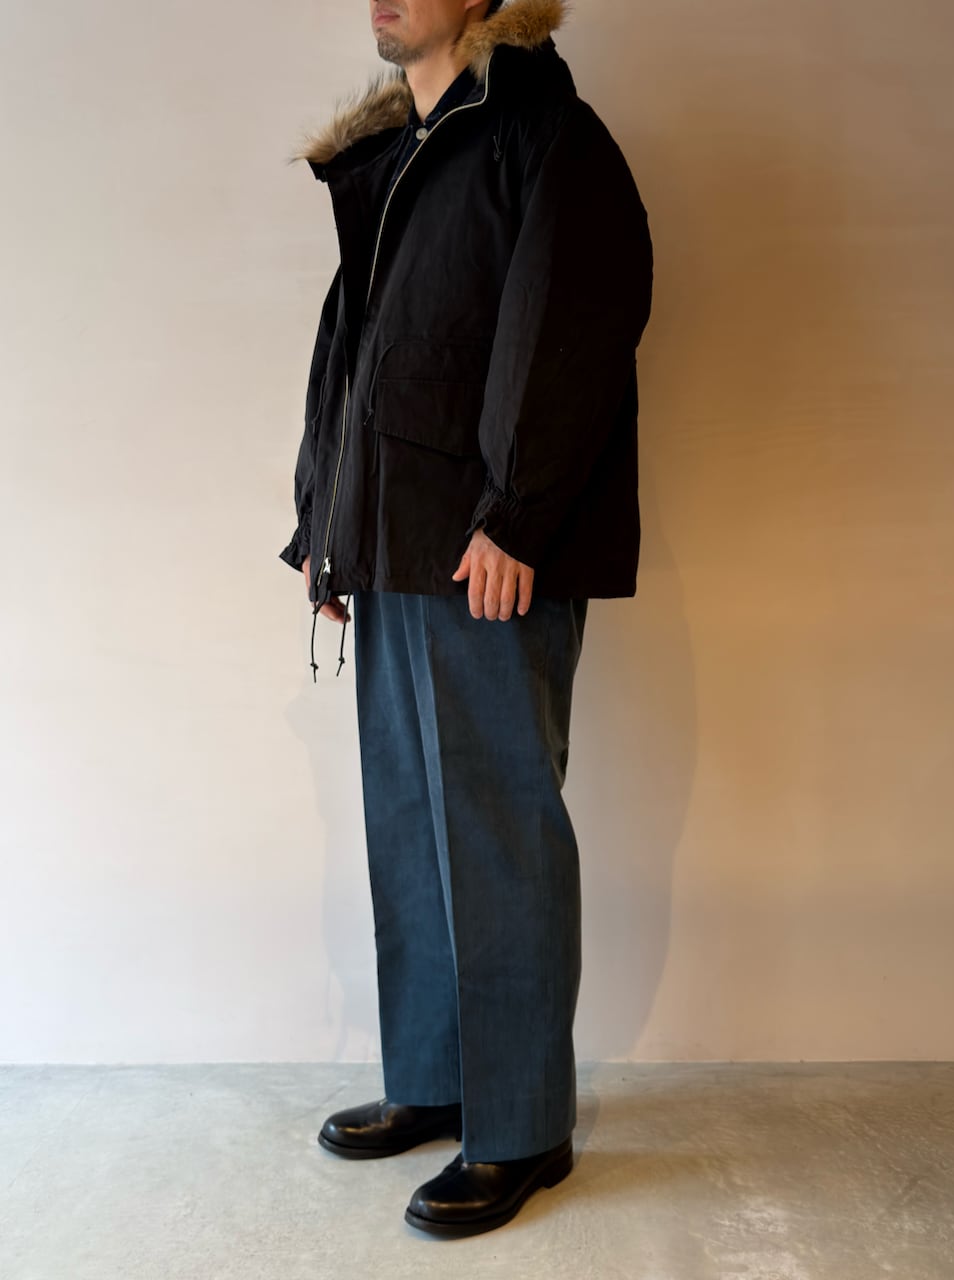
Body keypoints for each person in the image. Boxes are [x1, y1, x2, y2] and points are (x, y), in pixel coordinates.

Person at [278, 0, 653, 1238]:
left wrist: (516, 517)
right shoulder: (399, 153)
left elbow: (572, 327)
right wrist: (326, 523)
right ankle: (438, 1079)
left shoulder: (543, 135)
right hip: (394, 543)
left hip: (486, 553)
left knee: (497, 832)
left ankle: (522, 1122)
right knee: (409, 826)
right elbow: (355, 352)